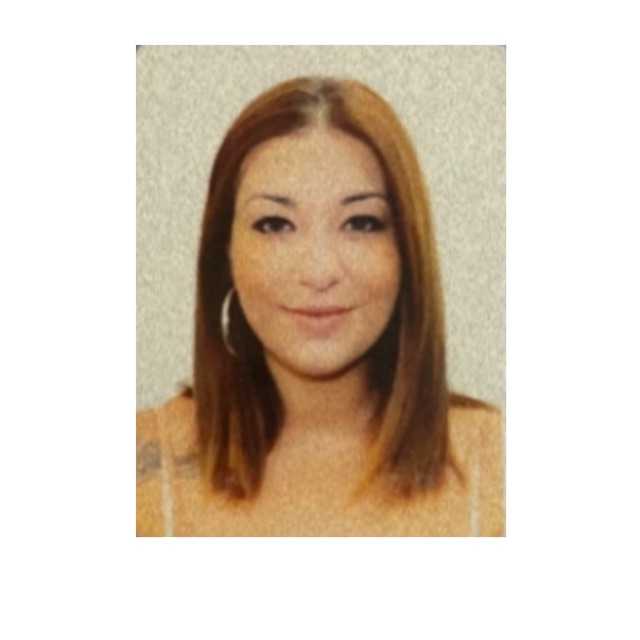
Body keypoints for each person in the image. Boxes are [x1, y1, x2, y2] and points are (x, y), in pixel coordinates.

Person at [136, 76, 504, 537]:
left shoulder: (499, 467)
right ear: (224, 252)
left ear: (406, 252)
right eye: (275, 224)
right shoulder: (141, 475)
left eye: (360, 223)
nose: (318, 271)